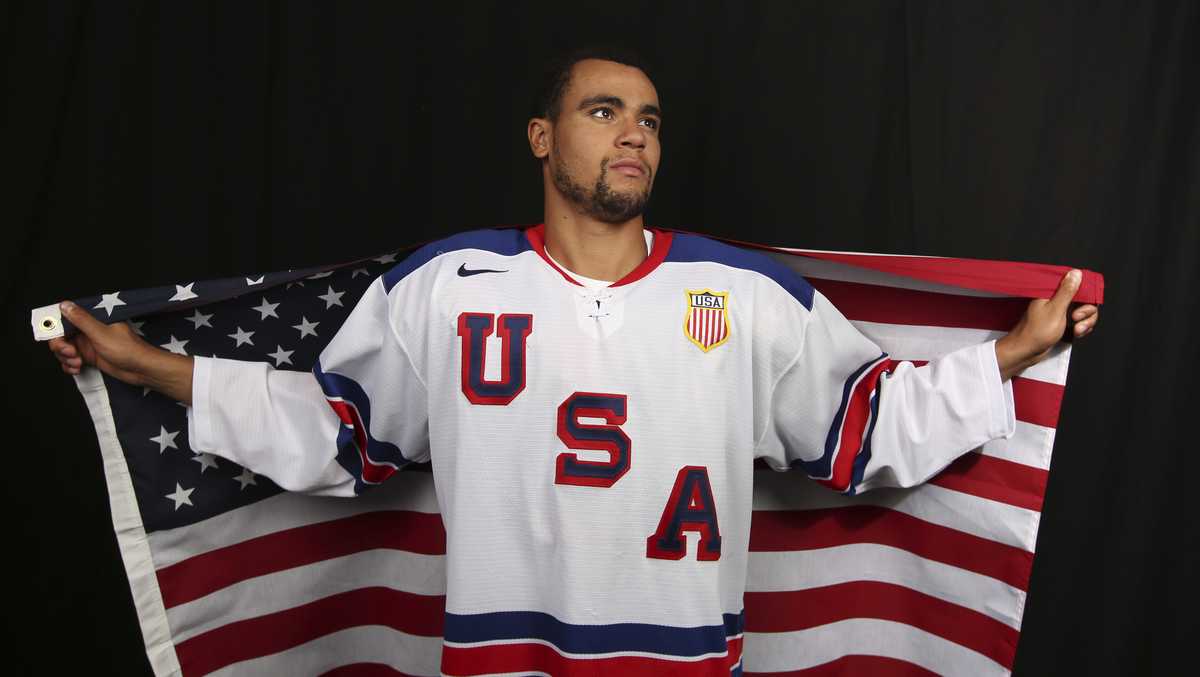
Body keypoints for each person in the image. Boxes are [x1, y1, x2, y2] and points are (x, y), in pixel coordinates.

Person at [49, 47, 1098, 672]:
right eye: (604, 112)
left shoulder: (747, 295)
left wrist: (1012, 351)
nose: (633, 134)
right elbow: (338, 431)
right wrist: (156, 367)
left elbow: (866, 431)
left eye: (648, 118)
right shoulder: (444, 282)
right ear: (544, 136)